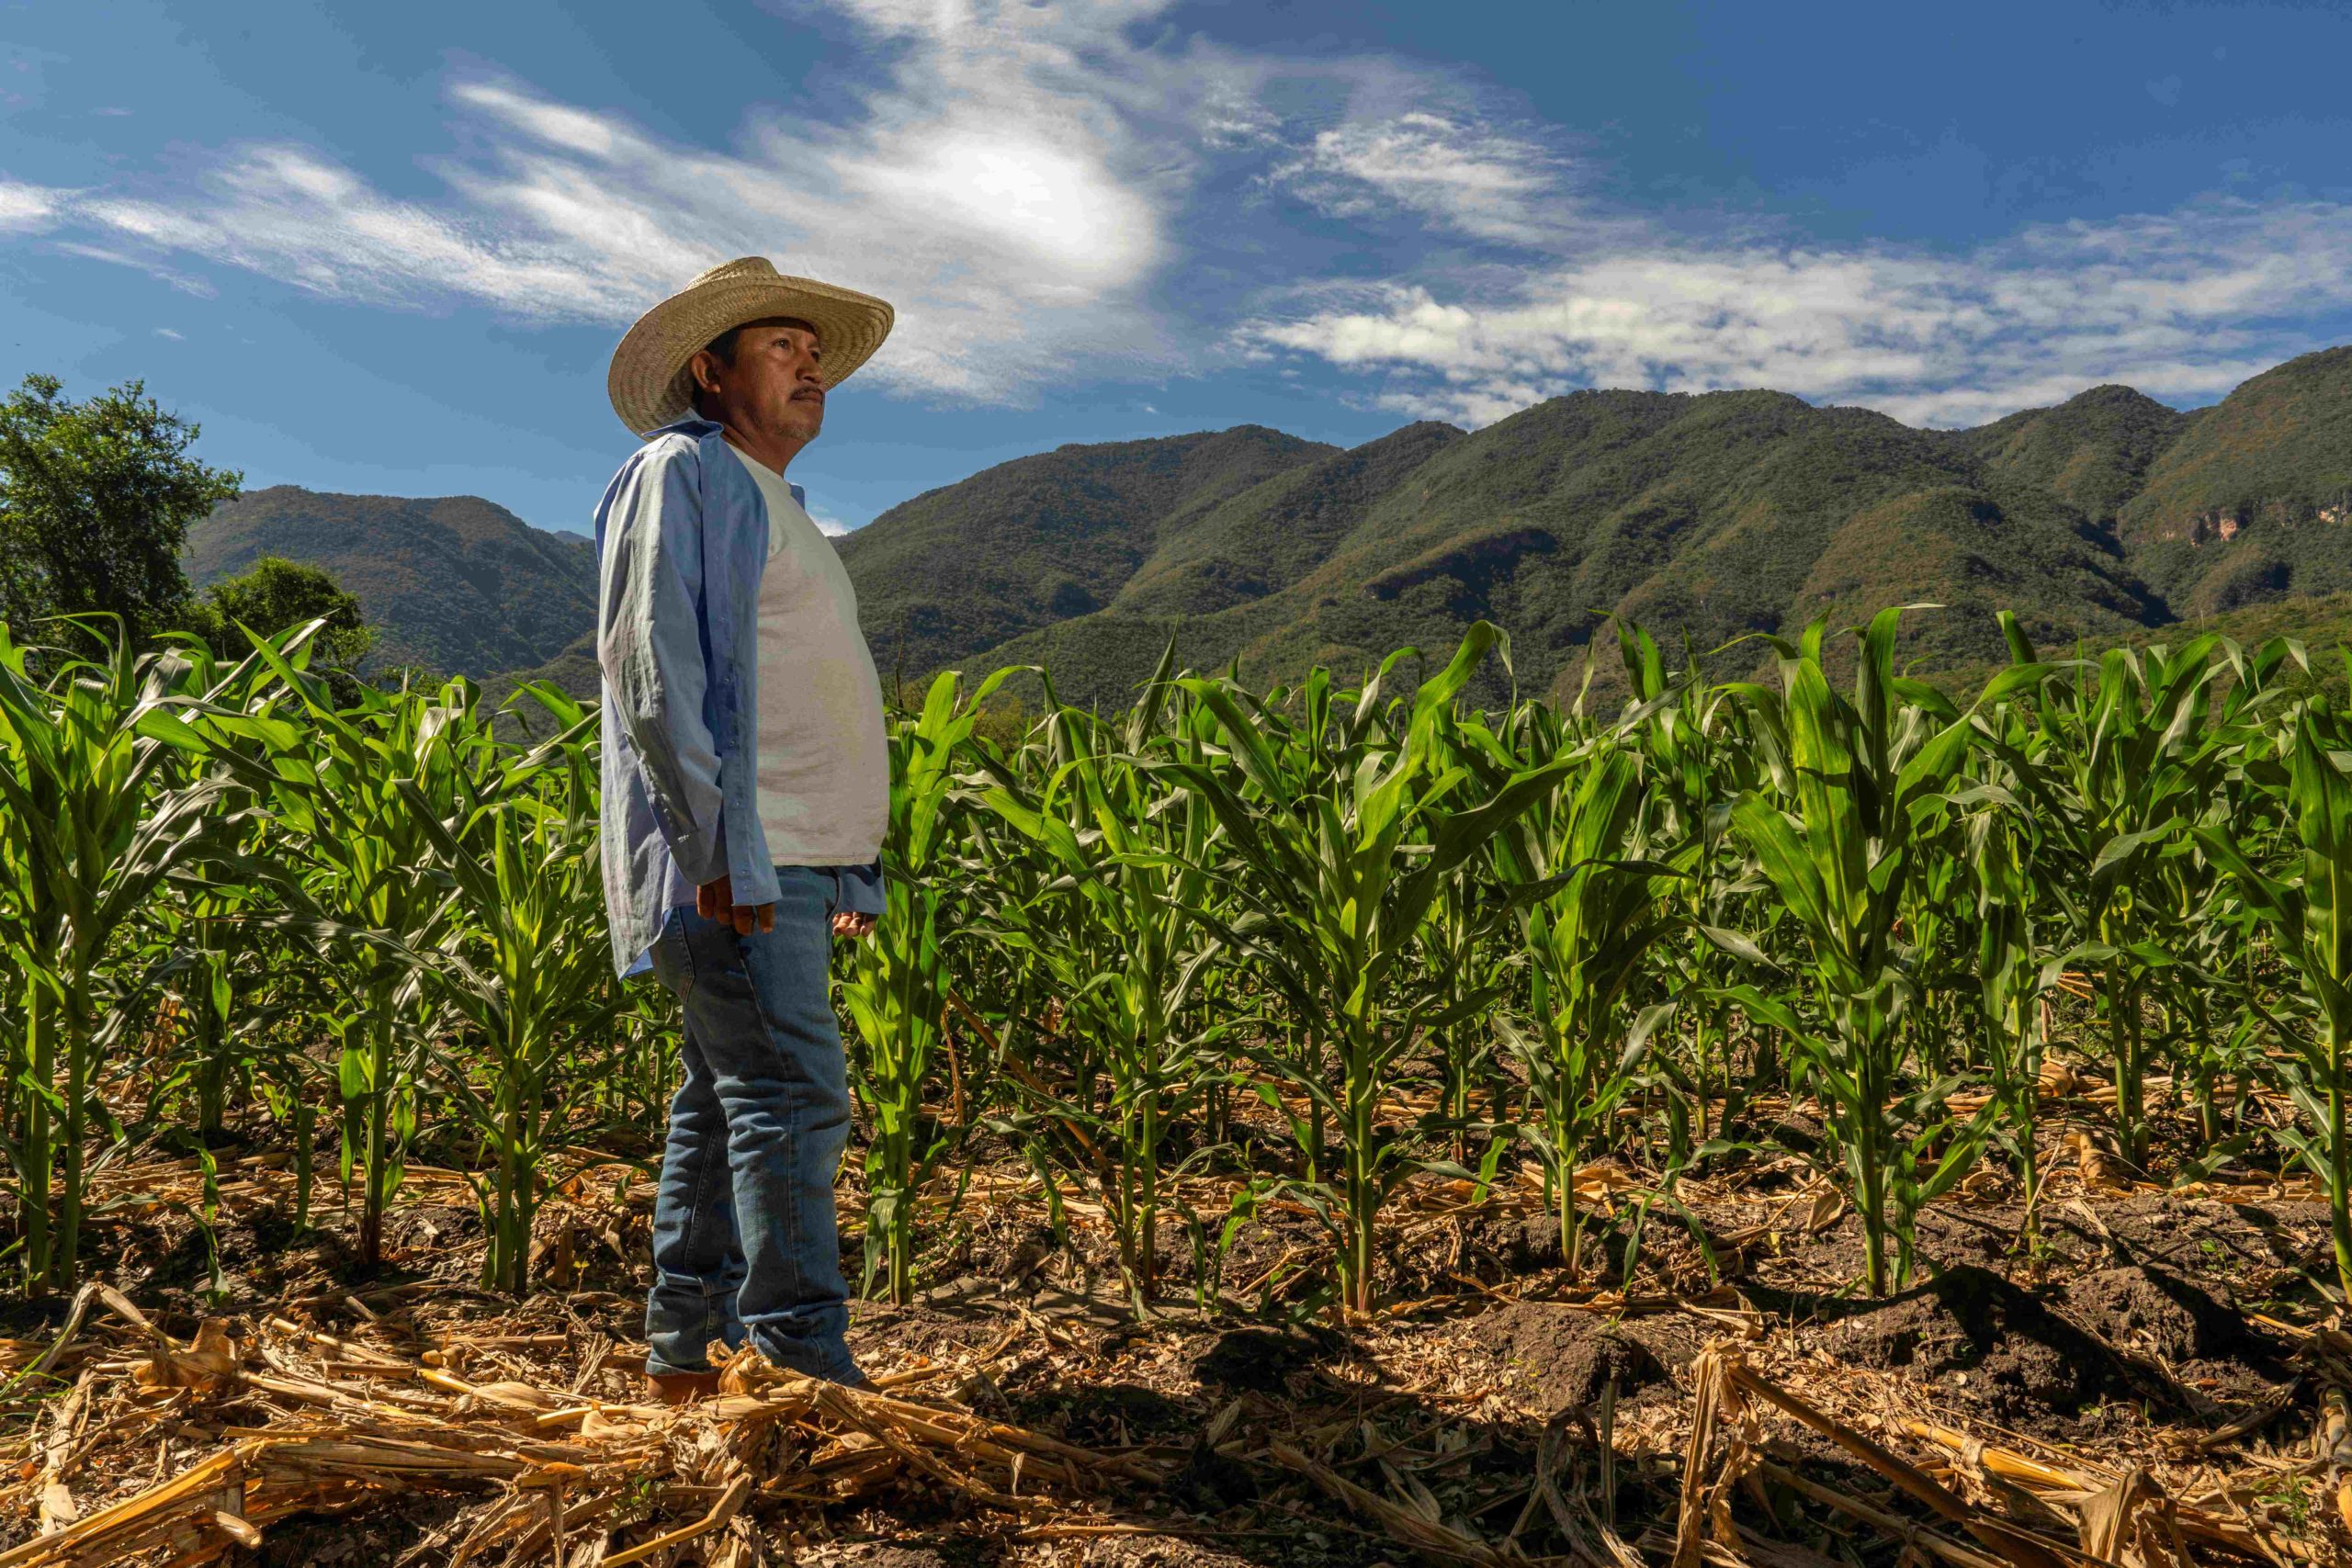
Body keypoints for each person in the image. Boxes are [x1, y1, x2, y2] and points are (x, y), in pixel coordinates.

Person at [594, 256, 897, 1400]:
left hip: (798, 866)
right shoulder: (680, 472)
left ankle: (689, 1361)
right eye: (784, 348)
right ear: (709, 372)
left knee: (730, 1108)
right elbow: (650, 669)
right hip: (740, 865)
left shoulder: (784, 507)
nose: (811, 366)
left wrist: (846, 871)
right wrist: (719, 851)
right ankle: (799, 1369)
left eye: (815, 354)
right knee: (790, 1096)